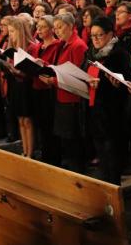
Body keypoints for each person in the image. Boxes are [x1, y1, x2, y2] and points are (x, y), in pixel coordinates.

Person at [86, 16, 131, 185]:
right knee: (102, 160)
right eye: (92, 35)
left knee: (113, 161)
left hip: (113, 115)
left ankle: (114, 193)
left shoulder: (120, 54)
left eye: (99, 35)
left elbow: (129, 84)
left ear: (110, 34)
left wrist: (116, 85)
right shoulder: (91, 53)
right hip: (95, 112)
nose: (95, 39)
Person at [43, 13, 89, 172]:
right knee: (66, 140)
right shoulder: (63, 44)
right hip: (62, 96)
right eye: (55, 28)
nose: (56, 31)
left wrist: (53, 81)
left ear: (70, 26)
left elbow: (77, 77)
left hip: (72, 99)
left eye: (59, 27)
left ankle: (77, 171)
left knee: (73, 140)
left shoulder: (78, 45)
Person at [31, 15, 65, 166]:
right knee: (40, 124)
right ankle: (45, 154)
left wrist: (43, 64)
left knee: (50, 125)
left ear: (52, 29)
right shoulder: (38, 46)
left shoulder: (57, 45)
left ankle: (53, 158)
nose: (38, 30)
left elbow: (55, 67)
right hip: (37, 87)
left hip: (49, 90)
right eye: (37, 27)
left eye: (43, 27)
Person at [5, 16, 40, 158]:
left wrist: (19, 72)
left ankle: (30, 153)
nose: (10, 35)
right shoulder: (12, 48)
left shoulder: (31, 47)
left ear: (20, 31)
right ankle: (24, 151)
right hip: (16, 86)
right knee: (20, 119)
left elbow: (33, 71)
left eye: (13, 31)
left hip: (27, 87)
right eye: (9, 32)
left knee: (27, 120)